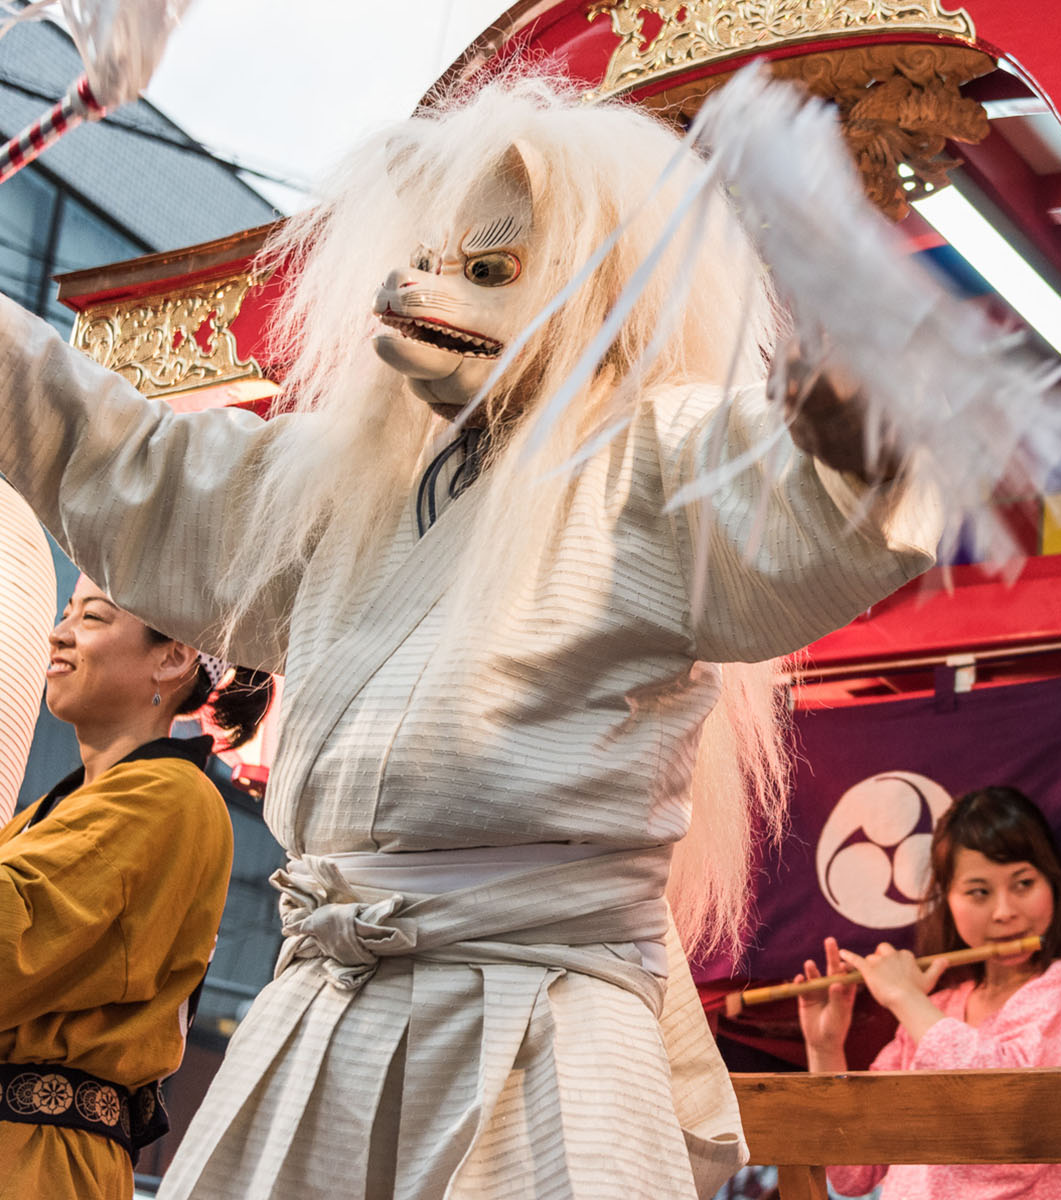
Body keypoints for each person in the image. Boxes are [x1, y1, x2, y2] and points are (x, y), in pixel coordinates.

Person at [0, 75, 943, 1199]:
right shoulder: (341, 480)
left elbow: (796, 502)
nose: (424, 288)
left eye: (491, 272)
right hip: (323, 1007)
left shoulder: (656, 458)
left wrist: (859, 452)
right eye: (436, 258)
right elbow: (131, 463)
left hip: (537, 1016)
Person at [1, 574, 272, 1199]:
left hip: (36, 1159)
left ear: (173, 657)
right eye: (66, 613)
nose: (59, 633)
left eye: (92, 617)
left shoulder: (167, 797)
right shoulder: (56, 806)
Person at [799, 786, 1061, 1199]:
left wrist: (905, 999)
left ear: (1052, 887)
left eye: (1023, 883)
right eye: (979, 892)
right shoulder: (938, 1009)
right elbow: (852, 1173)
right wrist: (825, 1050)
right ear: (946, 900)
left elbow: (1007, 1127)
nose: (1004, 911)